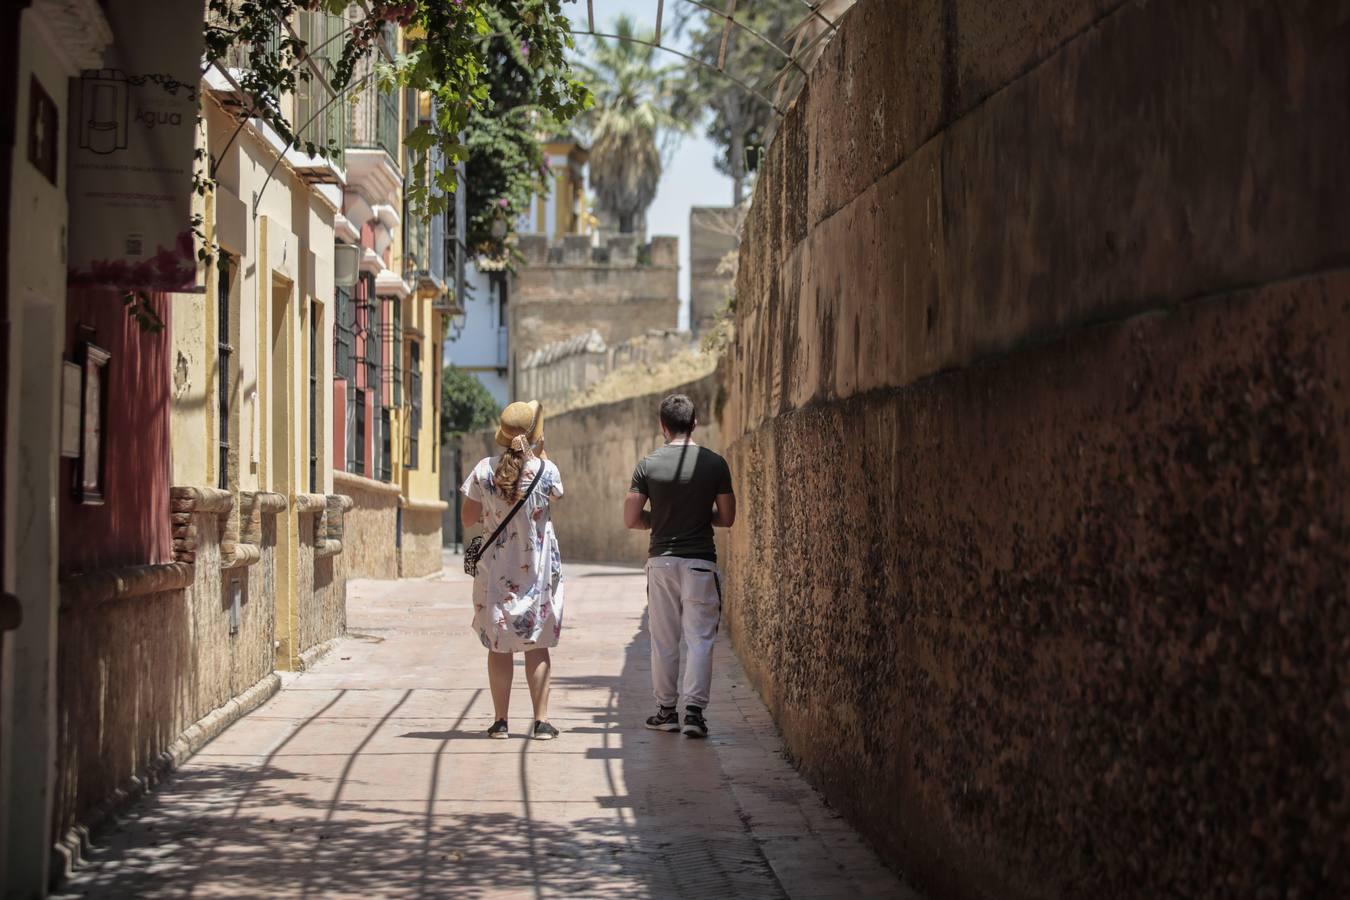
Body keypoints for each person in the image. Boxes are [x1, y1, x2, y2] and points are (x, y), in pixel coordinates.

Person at [624, 393, 736, 738]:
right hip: (701, 562)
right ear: (695, 423)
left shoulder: (647, 465)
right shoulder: (715, 464)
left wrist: (657, 522)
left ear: (663, 426)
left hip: (661, 563)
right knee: (700, 639)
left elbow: (631, 518)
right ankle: (695, 715)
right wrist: (700, 517)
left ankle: (666, 710)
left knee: (664, 640)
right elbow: (728, 517)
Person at [460, 400, 565, 741]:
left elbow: (467, 518)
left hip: (495, 573)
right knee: (537, 645)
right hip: (535, 572)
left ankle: (500, 722)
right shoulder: (547, 471)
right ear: (536, 434)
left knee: (498, 646)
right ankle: (542, 722)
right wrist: (541, 453)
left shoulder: (482, 471)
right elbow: (556, 497)